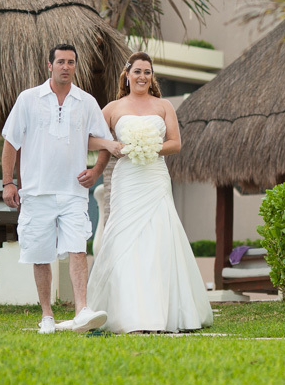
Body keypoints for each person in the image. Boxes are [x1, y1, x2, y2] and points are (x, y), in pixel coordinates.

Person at [83, 52, 213, 333]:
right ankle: (128, 314)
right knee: (123, 239)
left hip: (154, 178)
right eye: (138, 71)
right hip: (127, 180)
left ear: (152, 77)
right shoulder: (113, 108)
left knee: (157, 240)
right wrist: (110, 146)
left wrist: (149, 147)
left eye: (147, 72)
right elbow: (89, 139)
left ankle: (159, 314)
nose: (142, 76)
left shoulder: (164, 106)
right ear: (127, 75)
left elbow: (175, 143)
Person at [2, 44, 111, 334]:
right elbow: (11, 142)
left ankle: (81, 310)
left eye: (71, 62)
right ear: (50, 66)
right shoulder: (28, 99)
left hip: (73, 192)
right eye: (61, 62)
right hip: (36, 192)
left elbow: (105, 141)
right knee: (41, 255)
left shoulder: (86, 102)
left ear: (75, 66)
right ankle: (47, 315)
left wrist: (96, 171)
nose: (66, 66)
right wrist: (8, 183)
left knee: (78, 247)